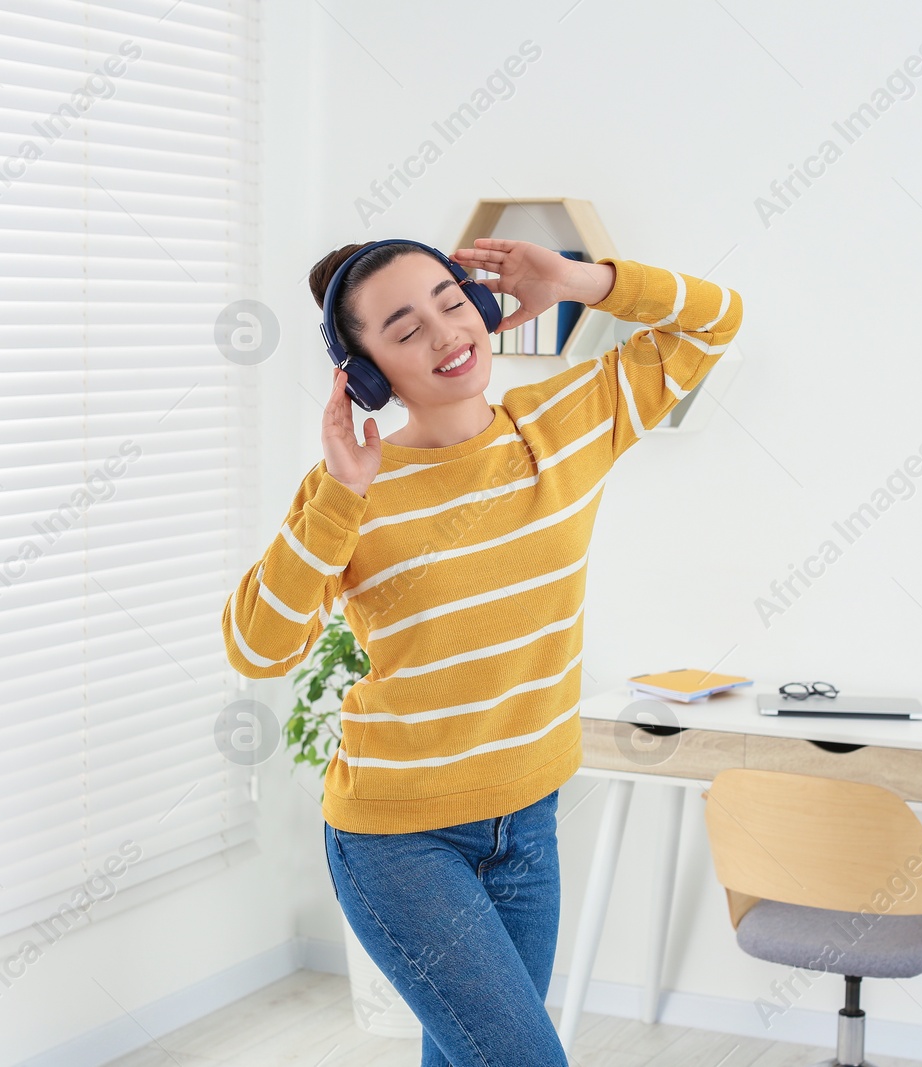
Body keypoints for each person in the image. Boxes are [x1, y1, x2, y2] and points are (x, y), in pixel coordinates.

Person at [222, 237, 743, 1065]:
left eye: (450, 300)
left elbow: (714, 322)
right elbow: (258, 646)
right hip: (400, 843)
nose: (443, 333)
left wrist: (578, 281)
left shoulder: (564, 423)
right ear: (364, 373)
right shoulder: (353, 487)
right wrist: (340, 497)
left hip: (528, 821)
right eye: (403, 327)